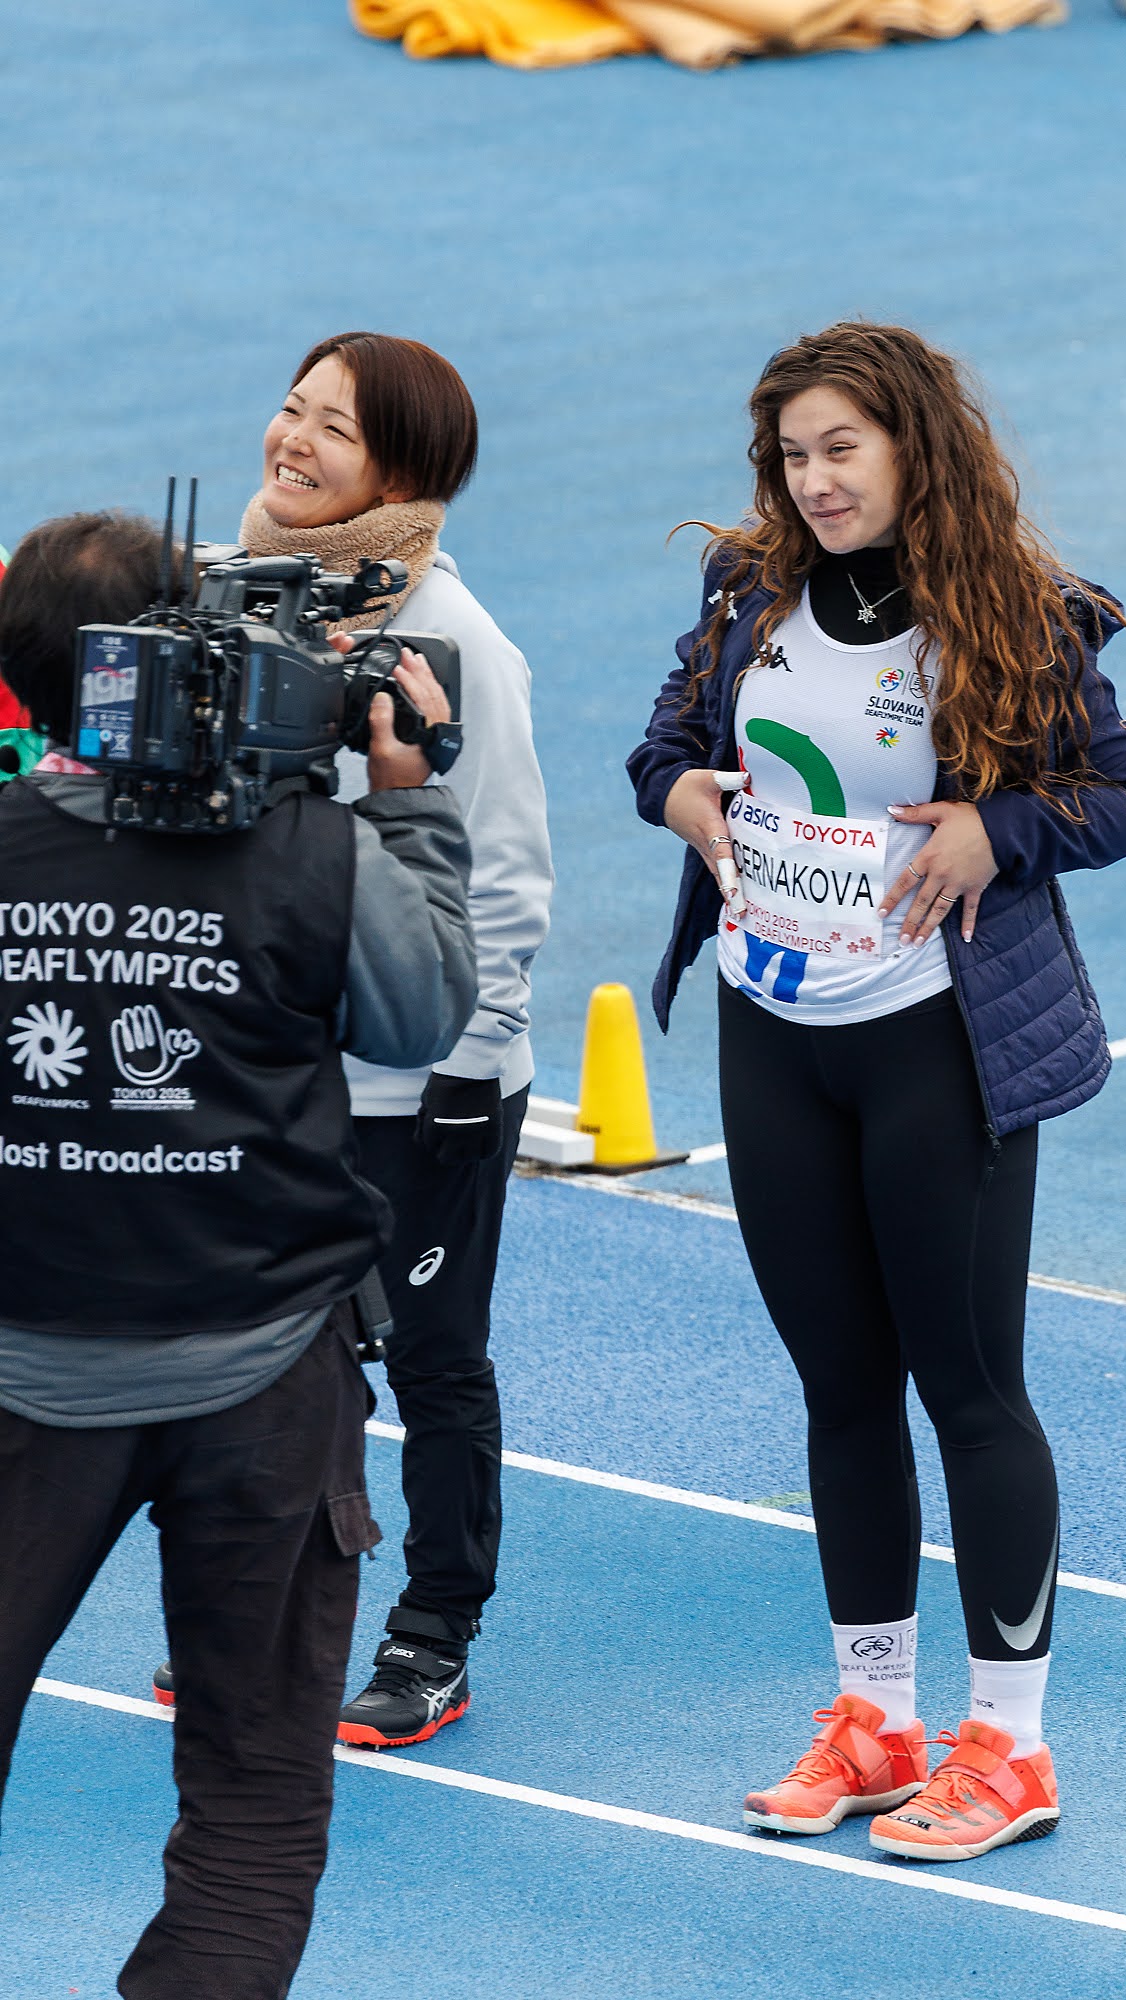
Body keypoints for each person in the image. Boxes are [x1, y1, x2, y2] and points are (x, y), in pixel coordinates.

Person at [628, 322, 1126, 1863]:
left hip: (936, 1043)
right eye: (792, 456)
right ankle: (874, 1721)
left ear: (914, 448)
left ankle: (1009, 1747)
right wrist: (677, 793)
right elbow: (664, 747)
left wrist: (997, 830)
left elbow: (1115, 794)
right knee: (839, 1388)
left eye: (840, 449)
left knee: (968, 1391)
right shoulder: (746, 593)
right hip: (772, 1031)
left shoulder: (1010, 614)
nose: (814, 480)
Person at [0, 510, 477, 1995]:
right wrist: (406, 808)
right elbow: (422, 1018)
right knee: (253, 1797)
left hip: (23, 1370)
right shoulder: (311, 852)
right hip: (266, 1377)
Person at [224, 330, 553, 1748]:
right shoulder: (237, 600)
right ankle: (278, 1622)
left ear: (404, 476)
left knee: (430, 1358)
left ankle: (432, 1635)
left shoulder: (460, 645)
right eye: (290, 408)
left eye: (334, 429)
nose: (291, 440)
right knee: (272, 1359)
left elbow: (507, 879)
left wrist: (465, 1070)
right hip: (275, 1070)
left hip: (421, 1086)